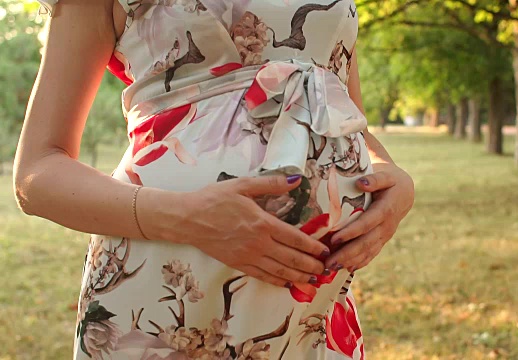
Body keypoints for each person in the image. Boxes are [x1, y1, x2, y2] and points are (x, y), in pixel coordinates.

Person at [13, 0, 414, 358]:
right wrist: (187, 216)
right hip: (171, 291)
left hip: (311, 302)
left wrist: (391, 179)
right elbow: (37, 171)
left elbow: (343, 111)